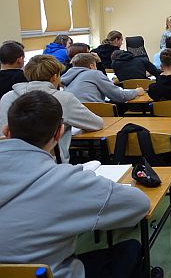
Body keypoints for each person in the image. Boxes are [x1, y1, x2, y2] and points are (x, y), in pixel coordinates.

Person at [0, 91, 150, 278]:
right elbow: (140, 205)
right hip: (48, 273)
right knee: (131, 249)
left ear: (6, 131)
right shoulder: (66, 181)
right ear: (59, 133)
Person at [0, 55, 103, 163]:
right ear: (54, 77)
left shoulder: (7, 97)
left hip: (8, 162)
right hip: (52, 163)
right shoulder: (63, 98)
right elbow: (96, 123)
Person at [61, 53, 143, 103]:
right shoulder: (94, 73)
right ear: (91, 66)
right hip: (92, 113)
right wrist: (136, 91)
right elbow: (119, 96)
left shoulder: (68, 77)